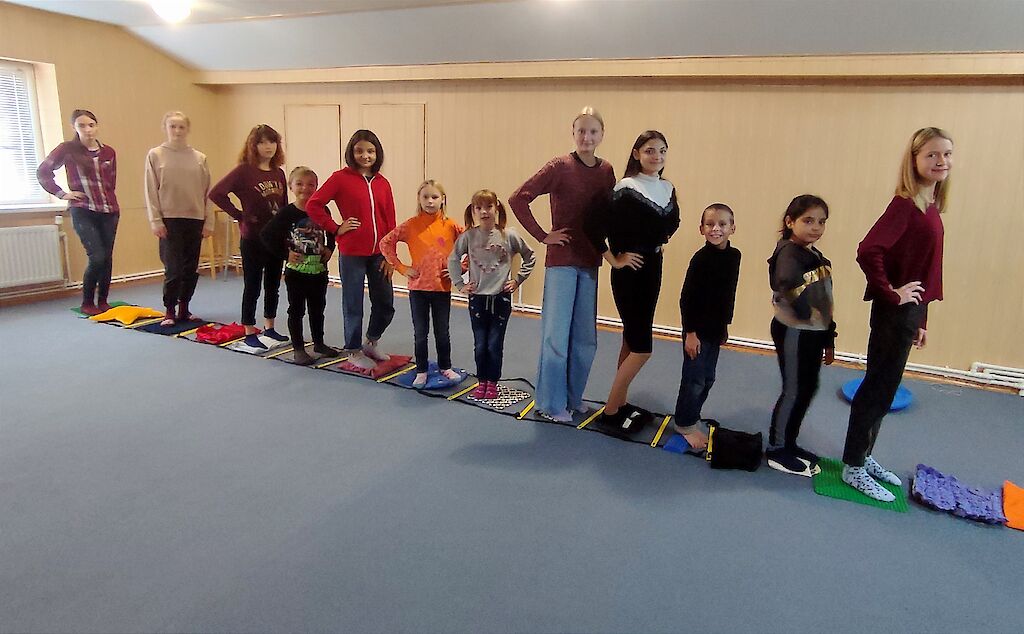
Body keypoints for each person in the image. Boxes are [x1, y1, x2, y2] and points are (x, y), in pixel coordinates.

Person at [841, 127, 952, 502]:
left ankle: (864, 455)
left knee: (886, 389)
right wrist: (891, 292)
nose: (941, 161)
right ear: (915, 159)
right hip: (893, 313)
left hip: (909, 313)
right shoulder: (905, 205)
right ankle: (853, 466)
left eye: (946, 154)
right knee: (877, 387)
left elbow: (924, 266)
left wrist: (921, 319)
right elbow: (868, 250)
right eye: (932, 154)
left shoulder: (930, 204)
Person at [509, 107, 616, 422]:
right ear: (573, 133)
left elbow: (610, 213)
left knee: (585, 338)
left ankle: (573, 396)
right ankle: (551, 403)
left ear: (601, 135)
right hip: (562, 262)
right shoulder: (559, 166)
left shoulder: (606, 171)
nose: (587, 137)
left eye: (593, 131)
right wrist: (543, 235)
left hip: (590, 260)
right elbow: (518, 198)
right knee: (556, 337)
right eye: (581, 131)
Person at [590, 130, 679, 432]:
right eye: (650, 150)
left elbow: (671, 222)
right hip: (630, 273)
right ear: (637, 153)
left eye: (662, 150)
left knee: (631, 339)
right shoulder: (626, 189)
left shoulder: (666, 187)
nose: (657, 156)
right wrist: (614, 258)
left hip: (653, 268)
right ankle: (610, 411)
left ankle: (620, 403)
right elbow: (592, 225)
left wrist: (658, 241)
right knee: (643, 348)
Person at [306, 130, 397, 370]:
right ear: (351, 152)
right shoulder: (340, 179)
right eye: (359, 151)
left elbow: (391, 221)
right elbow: (314, 204)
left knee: (385, 303)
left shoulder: (382, 183)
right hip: (352, 253)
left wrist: (391, 256)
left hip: (379, 254)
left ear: (377, 154)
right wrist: (335, 228)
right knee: (353, 304)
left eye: (370, 151)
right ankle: (353, 350)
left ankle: (371, 341)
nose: (365, 156)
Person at [765, 195, 835, 475]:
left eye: (821, 222)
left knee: (808, 387)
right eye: (808, 221)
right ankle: (777, 448)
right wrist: (806, 312)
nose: (816, 227)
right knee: (794, 389)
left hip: (813, 333)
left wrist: (828, 335)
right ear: (790, 222)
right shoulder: (788, 253)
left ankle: (790, 442)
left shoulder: (813, 254)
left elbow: (824, 300)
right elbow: (785, 281)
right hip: (794, 332)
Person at [448, 190, 537, 399]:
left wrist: (518, 279)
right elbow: (452, 259)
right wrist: (460, 284)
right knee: (480, 344)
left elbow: (529, 256)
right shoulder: (468, 236)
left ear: (496, 208)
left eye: (488, 207)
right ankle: (482, 380)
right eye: (478, 208)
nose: (484, 212)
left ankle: (492, 382)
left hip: (500, 298)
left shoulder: (508, 235)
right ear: (473, 211)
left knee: (494, 344)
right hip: (477, 299)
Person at [209, 124, 289, 349]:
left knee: (273, 284)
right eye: (262, 142)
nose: (268, 147)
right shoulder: (244, 171)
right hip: (253, 237)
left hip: (275, 238)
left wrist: (285, 231)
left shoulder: (278, 173)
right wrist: (239, 215)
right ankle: (249, 330)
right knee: (252, 285)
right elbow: (216, 193)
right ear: (253, 146)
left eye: (272, 142)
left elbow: (283, 205)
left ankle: (269, 327)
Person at [379, 180, 463, 387]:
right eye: (425, 197)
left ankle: (445, 366)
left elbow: (471, 243)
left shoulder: (450, 225)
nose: (430, 201)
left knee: (442, 332)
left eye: (434, 197)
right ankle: (422, 369)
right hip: (418, 289)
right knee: (420, 333)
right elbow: (385, 243)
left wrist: (461, 268)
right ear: (419, 199)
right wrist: (401, 267)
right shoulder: (411, 225)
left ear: (443, 199)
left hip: (441, 288)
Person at [37, 109, 119, 315]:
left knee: (107, 257)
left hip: (109, 211)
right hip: (83, 210)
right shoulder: (67, 150)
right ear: (74, 127)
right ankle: (87, 302)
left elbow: (111, 182)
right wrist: (63, 194)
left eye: (91, 125)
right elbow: (43, 172)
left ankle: (103, 301)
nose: (88, 130)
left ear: (97, 126)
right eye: (82, 125)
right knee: (97, 256)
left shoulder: (109, 152)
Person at [673, 203, 741, 451]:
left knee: (708, 378)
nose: (716, 229)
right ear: (701, 229)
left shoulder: (734, 256)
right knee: (694, 379)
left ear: (732, 228)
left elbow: (728, 294)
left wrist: (725, 326)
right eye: (710, 224)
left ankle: (693, 415)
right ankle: (684, 423)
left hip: (715, 329)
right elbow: (686, 299)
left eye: (722, 224)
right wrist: (690, 333)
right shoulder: (700, 260)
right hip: (697, 331)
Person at [260, 166, 340, 365]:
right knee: (296, 310)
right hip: (296, 272)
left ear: (317, 187)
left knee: (317, 309)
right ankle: (298, 348)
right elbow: (266, 235)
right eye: (300, 184)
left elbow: (331, 231)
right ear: (291, 187)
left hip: (319, 271)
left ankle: (319, 343)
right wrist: (285, 254)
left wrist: (330, 248)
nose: (305, 188)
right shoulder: (287, 212)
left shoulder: (322, 210)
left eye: (311, 184)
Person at [143, 111, 213, 326]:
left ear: (187, 129)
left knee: (190, 268)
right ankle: (169, 310)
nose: (177, 131)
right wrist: (155, 220)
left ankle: (184, 307)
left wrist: (208, 221)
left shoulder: (199, 158)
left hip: (194, 218)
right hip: (169, 219)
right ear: (165, 128)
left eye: (181, 127)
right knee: (173, 269)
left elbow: (207, 192)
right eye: (172, 126)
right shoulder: (155, 155)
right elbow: (150, 191)